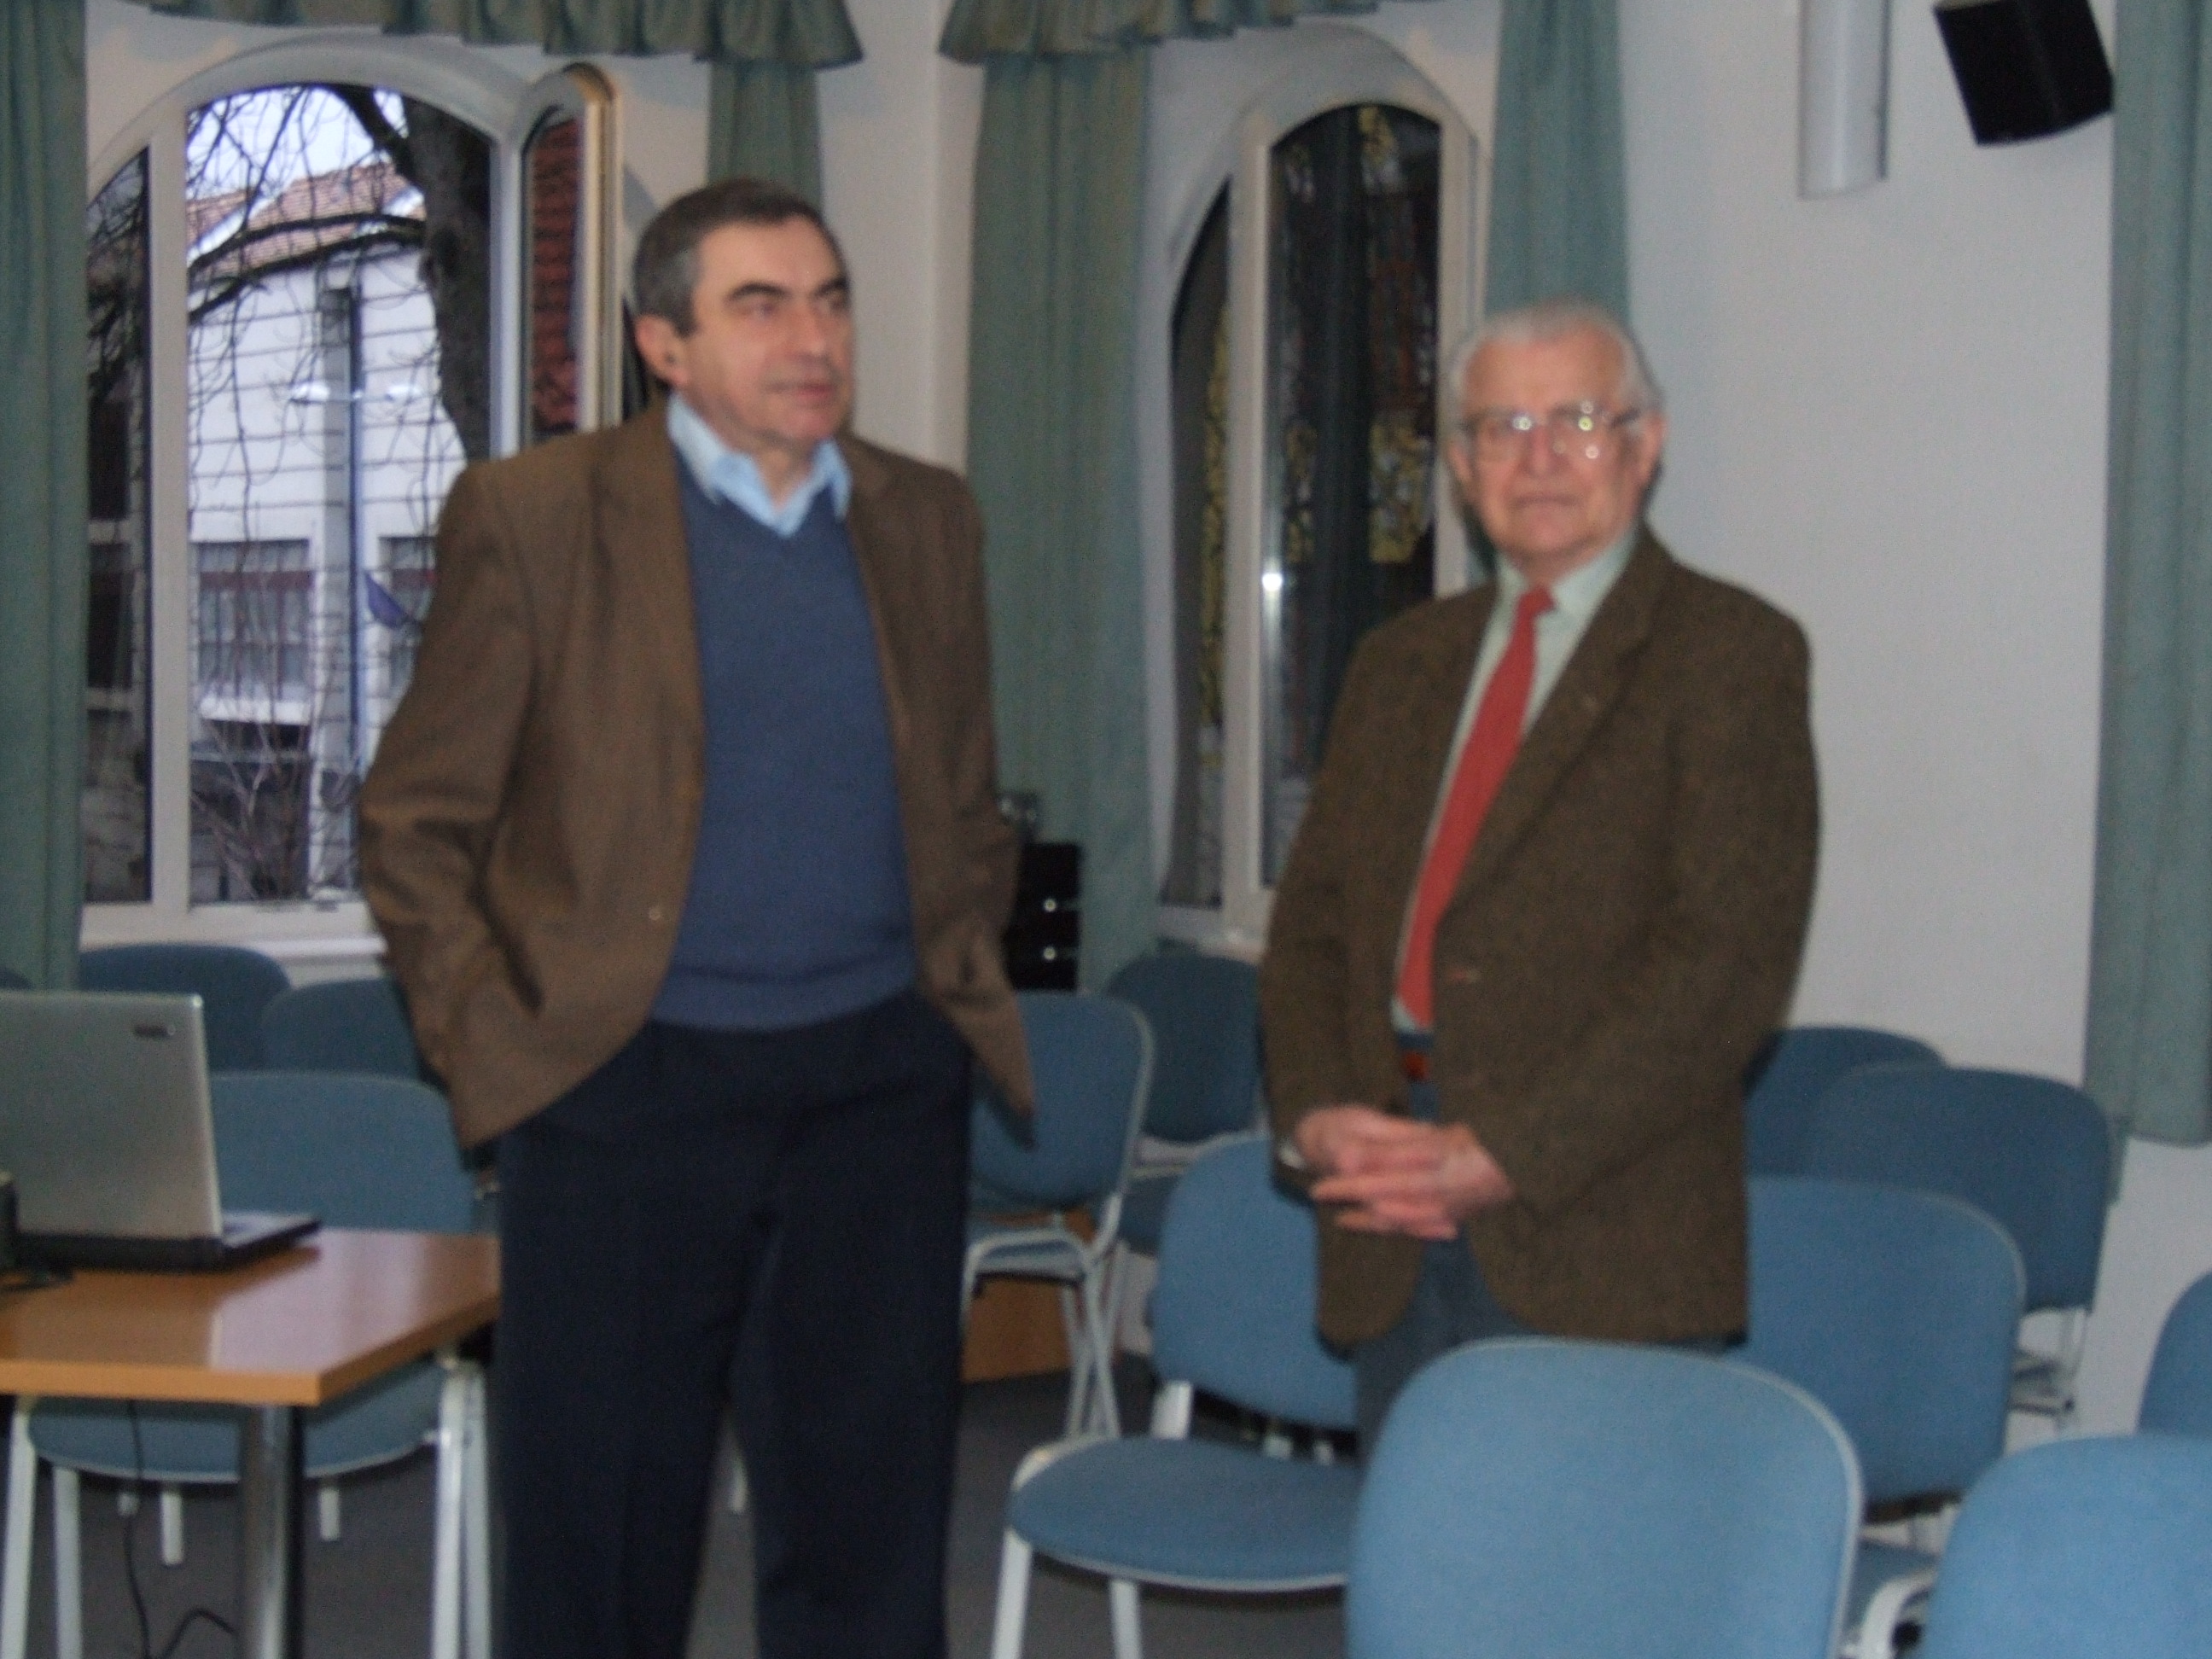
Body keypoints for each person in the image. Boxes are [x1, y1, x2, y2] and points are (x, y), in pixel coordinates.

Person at [358, 177, 1032, 1659]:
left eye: (831, 300)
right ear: (663, 344)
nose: (813, 338)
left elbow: (964, 795)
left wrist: (943, 982)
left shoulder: (927, 517)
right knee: (600, 1542)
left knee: (870, 1545)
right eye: (761, 306)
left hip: (879, 1090)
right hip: (624, 1086)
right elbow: (414, 819)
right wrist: (500, 1046)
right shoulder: (537, 518)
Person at [1260, 298, 1819, 1450]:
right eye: (1504, 428)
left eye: (1578, 420)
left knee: (1581, 1561)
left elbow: (1723, 972)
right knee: (1418, 1553)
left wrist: (1505, 1154)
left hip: (1601, 1227)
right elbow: (1313, 932)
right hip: (1389, 1204)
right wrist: (1318, 1119)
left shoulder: (1731, 655)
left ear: (1645, 445)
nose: (1542, 457)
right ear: (1463, 468)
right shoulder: (1399, 663)